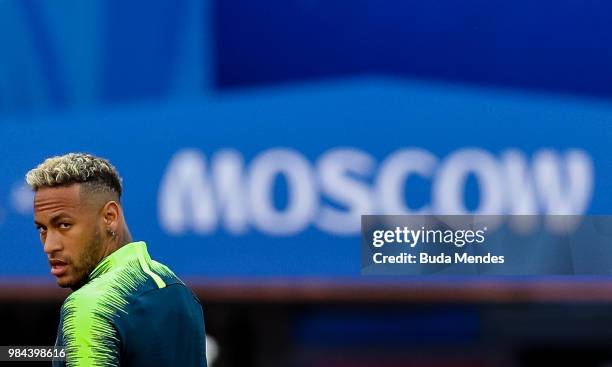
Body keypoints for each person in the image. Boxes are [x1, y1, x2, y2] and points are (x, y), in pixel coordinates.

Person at [26, 153, 207, 366]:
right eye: (42, 229)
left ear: (109, 217)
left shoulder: (90, 306)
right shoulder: (179, 291)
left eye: (64, 225)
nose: (49, 246)